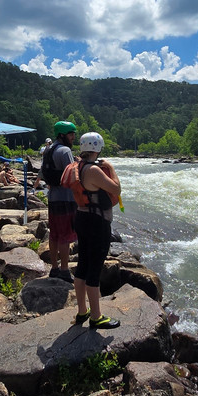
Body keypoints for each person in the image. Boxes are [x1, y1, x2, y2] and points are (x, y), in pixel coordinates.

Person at [70, 133, 122, 329]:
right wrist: (111, 168)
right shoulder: (93, 170)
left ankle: (82, 311)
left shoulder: (78, 166)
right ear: (97, 148)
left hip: (81, 218)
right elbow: (116, 189)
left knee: (83, 264)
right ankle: (96, 317)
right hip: (96, 222)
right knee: (94, 267)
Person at [41, 120, 77, 280]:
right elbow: (73, 176)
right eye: (71, 134)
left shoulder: (48, 150)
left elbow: (43, 172)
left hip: (53, 197)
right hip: (66, 198)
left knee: (54, 233)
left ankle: (54, 267)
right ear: (63, 135)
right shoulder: (64, 151)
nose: (73, 137)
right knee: (65, 235)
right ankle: (64, 270)